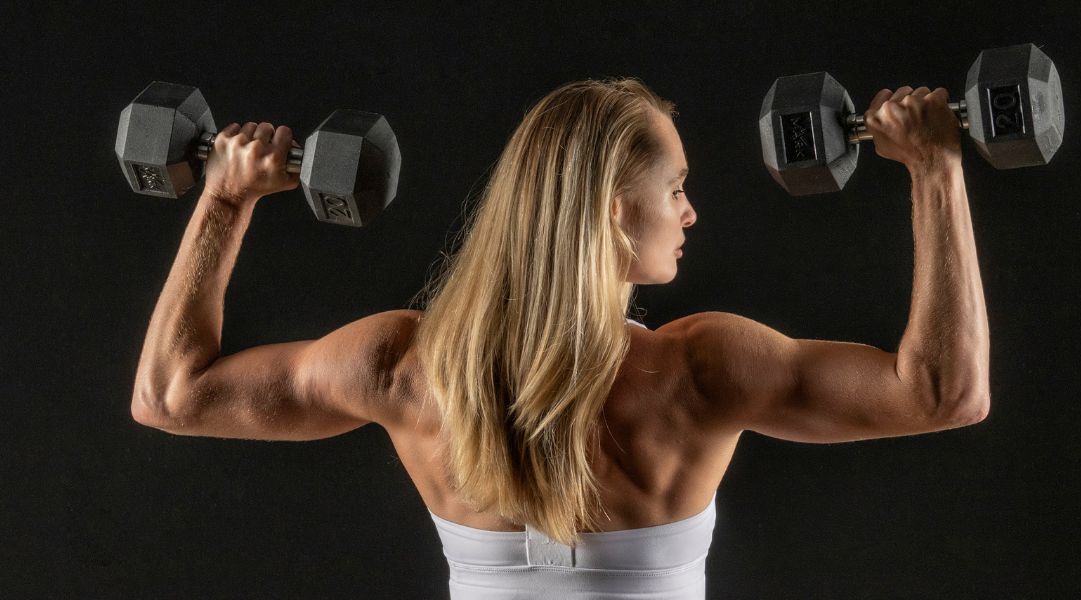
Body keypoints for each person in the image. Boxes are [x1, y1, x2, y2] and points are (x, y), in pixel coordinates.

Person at [131, 78, 988, 599]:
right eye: (677, 186)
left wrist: (225, 200)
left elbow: (171, 397)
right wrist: (936, 171)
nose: (690, 211)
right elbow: (944, 394)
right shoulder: (700, 372)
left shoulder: (403, 367)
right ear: (615, 212)